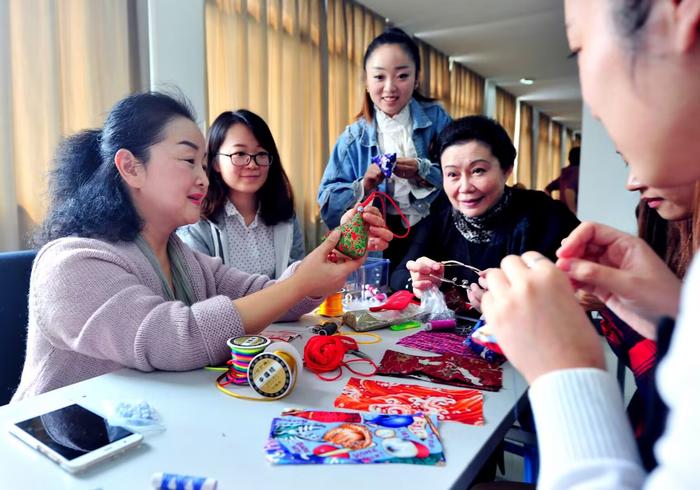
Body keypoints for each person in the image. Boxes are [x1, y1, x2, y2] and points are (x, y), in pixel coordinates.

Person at [12, 91, 392, 401]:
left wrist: (333, 250)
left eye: (204, 163)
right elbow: (177, 339)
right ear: (130, 167)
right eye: (188, 160)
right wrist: (299, 283)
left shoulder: (181, 256)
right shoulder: (73, 263)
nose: (204, 177)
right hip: (62, 458)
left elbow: (268, 297)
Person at [479, 0, 700, 487]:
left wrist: (568, 374)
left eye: (578, 46)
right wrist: (674, 312)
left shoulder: (544, 214)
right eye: (452, 173)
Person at [394, 115, 579, 314]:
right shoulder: (440, 217)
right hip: (458, 341)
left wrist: (517, 305)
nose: (464, 187)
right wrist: (418, 281)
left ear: (507, 169)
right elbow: (399, 275)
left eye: (478, 170)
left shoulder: (545, 215)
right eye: (452, 174)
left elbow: (580, 288)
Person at [317, 27, 452, 270]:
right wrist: (364, 185)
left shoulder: (438, 120)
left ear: (416, 78)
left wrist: (422, 170)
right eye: (379, 77)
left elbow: (457, 179)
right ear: (366, 81)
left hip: (433, 228)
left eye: (402, 76)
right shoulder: (353, 137)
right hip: (378, 237)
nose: (390, 87)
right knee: (383, 300)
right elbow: (327, 206)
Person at [178, 109, 304, 279]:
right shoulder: (196, 225)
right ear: (215, 162)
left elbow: (298, 281)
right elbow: (202, 295)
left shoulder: (285, 216)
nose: (252, 164)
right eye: (240, 154)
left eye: (261, 154)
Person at [544, 146, 580, 213]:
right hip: (572, 216)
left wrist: (553, 205)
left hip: (562, 213)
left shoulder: (565, 173)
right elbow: (569, 190)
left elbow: (547, 189)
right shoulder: (577, 172)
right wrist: (573, 211)